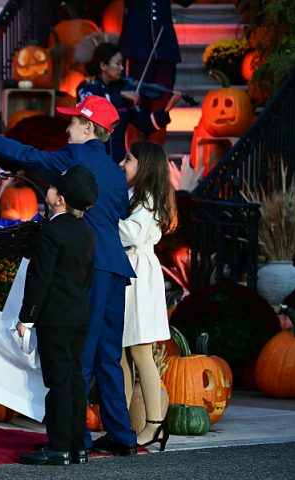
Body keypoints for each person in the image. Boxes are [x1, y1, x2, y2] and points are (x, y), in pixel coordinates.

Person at [0, 95, 140, 456]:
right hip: (116, 266)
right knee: (109, 354)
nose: (66, 128)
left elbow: (28, 156)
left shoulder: (75, 158)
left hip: (87, 264)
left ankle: (75, 437)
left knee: (79, 358)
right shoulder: (113, 170)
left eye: (73, 122)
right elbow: (121, 210)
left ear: (89, 128)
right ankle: (122, 434)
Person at [15, 166, 97, 466]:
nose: (47, 189)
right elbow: (87, 277)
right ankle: (78, 444)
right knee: (75, 379)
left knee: (58, 382)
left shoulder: (52, 231)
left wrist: (27, 316)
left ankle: (59, 445)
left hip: (55, 317)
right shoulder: (85, 233)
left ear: (59, 199)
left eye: (51, 187)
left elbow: (40, 278)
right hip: (79, 314)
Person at [117, 141, 175, 452]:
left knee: (140, 351)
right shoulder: (133, 195)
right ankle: (122, 423)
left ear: (146, 166)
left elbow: (131, 233)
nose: (122, 163)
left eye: (128, 159)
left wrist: (102, 223)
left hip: (139, 274)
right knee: (122, 352)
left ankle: (154, 424)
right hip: (128, 271)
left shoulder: (149, 199)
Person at [77, 42, 182, 163]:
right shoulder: (87, 87)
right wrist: (119, 95)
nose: (122, 68)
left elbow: (145, 124)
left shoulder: (123, 93)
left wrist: (166, 109)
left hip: (117, 162)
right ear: (103, 66)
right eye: (117, 64)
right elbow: (91, 106)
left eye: (122, 63)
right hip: (92, 161)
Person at [119, 0, 195, 144]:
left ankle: (154, 161)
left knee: (162, 107)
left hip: (164, 49)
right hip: (137, 48)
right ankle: (133, 160)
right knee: (134, 105)